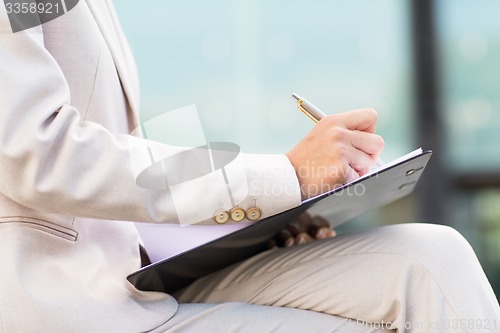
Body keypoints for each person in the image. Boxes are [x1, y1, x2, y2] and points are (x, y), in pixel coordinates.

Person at [0, 1, 498, 332]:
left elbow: (107, 175)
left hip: (137, 277)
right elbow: (36, 147)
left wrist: (258, 224)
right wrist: (287, 176)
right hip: (71, 304)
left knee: (434, 257)